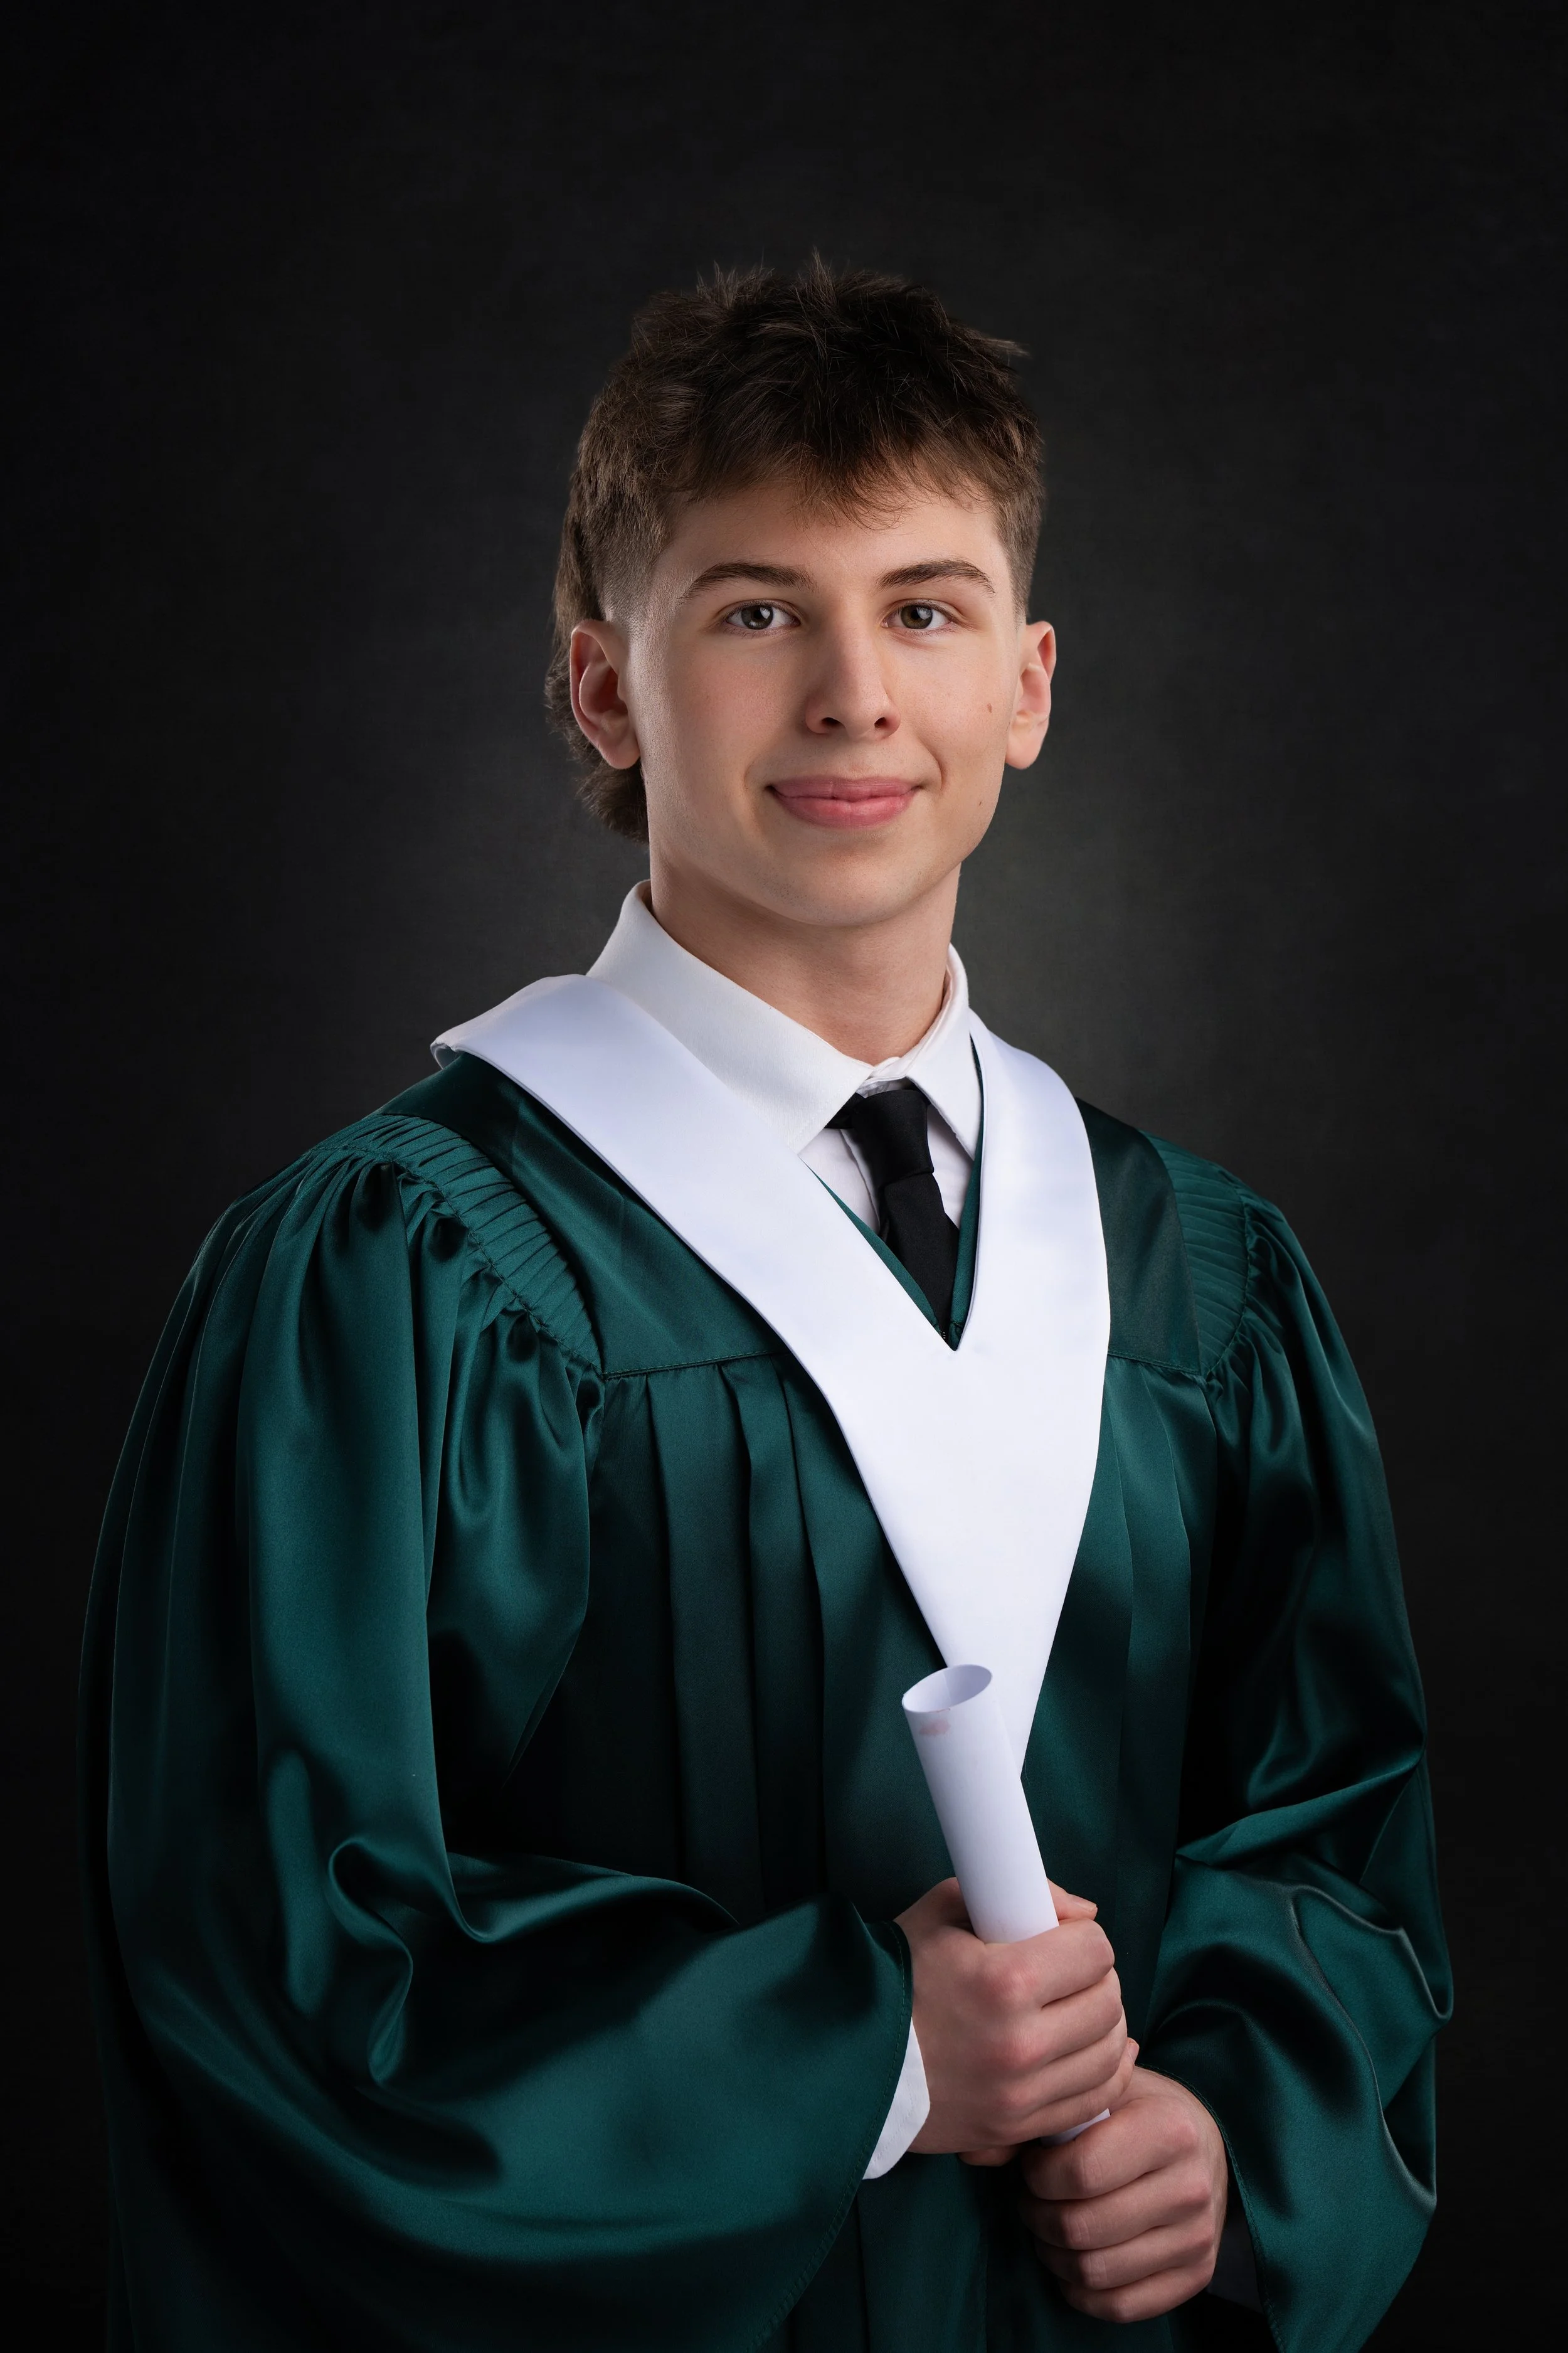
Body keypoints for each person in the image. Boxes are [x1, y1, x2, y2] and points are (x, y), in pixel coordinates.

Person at [81, 262, 1449, 2352]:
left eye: (920, 607)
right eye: (751, 611)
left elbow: (1333, 1830)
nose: (849, 694)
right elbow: (284, 1963)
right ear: (604, 690)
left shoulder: (1202, 1273)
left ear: (1029, 683)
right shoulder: (396, 1275)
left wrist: (1236, 2130)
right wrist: (867, 2055)